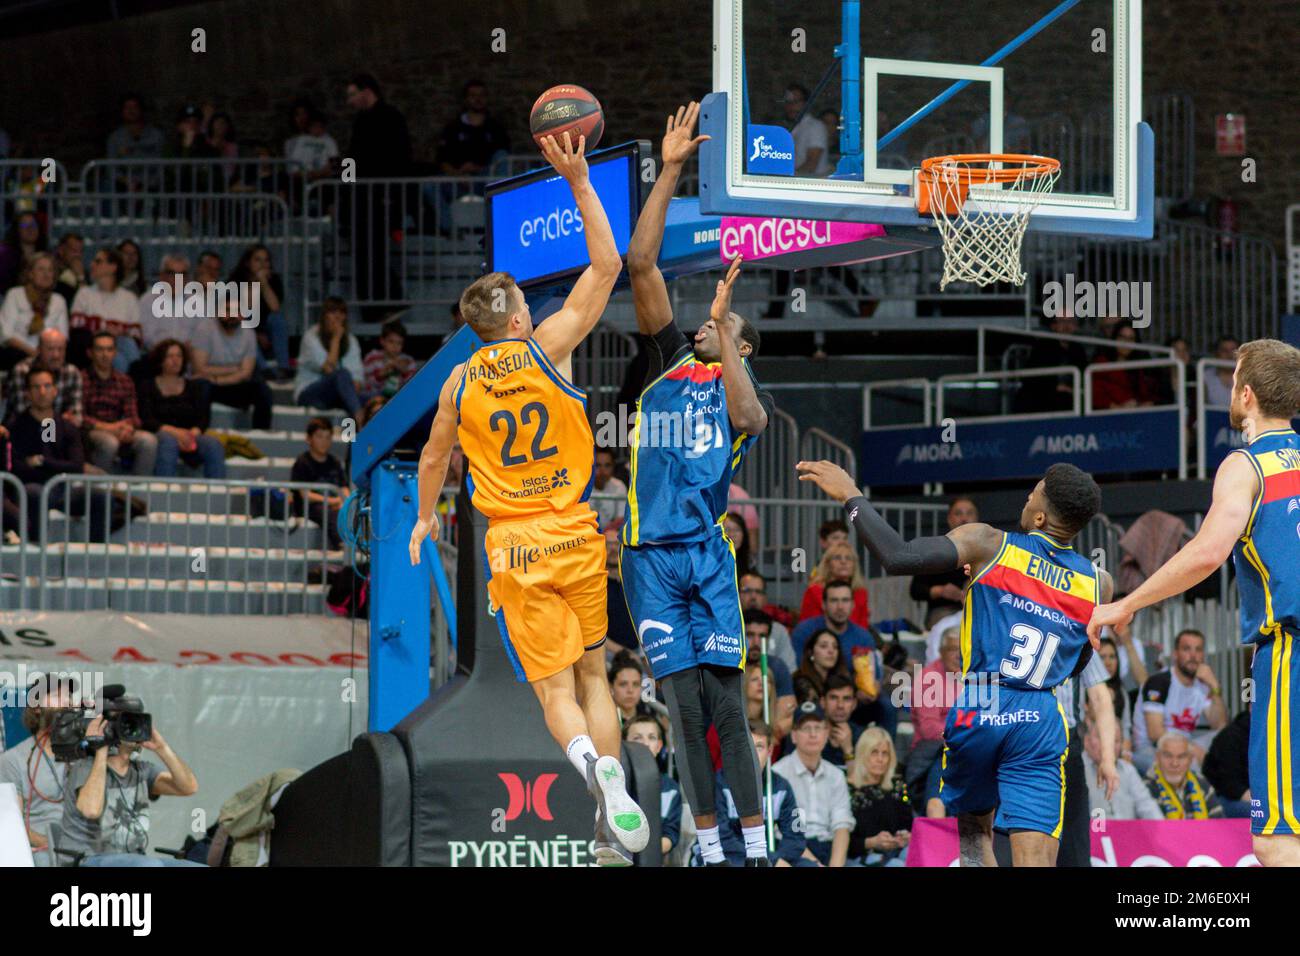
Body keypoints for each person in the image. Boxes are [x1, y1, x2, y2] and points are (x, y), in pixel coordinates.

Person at [408, 131, 646, 866]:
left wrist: (422, 518)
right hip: (577, 532)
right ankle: (613, 809)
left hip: (515, 546)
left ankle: (587, 770)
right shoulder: (549, 345)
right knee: (595, 673)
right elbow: (610, 264)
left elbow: (433, 455)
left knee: (552, 696)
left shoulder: (457, 382)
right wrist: (578, 180)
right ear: (517, 320)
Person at [798, 457, 1120, 866]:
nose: (1027, 494)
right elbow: (1074, 663)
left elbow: (898, 556)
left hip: (982, 702)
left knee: (973, 833)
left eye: (1034, 490)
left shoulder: (989, 543)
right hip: (1040, 713)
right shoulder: (1098, 584)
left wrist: (850, 494)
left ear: (1040, 514)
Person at [618, 103, 775, 869]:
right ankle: (709, 844)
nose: (708, 323)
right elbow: (641, 264)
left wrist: (728, 334)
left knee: (728, 710)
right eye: (709, 321)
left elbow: (752, 416)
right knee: (683, 705)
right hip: (650, 554)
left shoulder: (738, 392)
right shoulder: (666, 364)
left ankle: (753, 841)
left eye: (725, 324)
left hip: (709, 559)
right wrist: (672, 165)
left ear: (740, 343)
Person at [1089, 338, 1300, 865]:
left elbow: (1207, 553)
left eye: (1232, 379)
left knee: (1278, 836)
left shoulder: (1248, 465)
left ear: (1246, 394)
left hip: (1290, 654)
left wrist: (1125, 603)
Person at [61, 707, 202, 866]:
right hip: (88, 858)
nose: (133, 729)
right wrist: (101, 749)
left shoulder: (142, 770)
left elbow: (188, 787)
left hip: (134, 859)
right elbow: (91, 810)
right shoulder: (85, 767)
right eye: (126, 723)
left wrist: (161, 748)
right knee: (149, 865)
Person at [345, 74, 411, 313]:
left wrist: (391, 194)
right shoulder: (361, 121)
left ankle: (387, 301)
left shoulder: (390, 118)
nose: (350, 101)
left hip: (382, 194)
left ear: (367, 91)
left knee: (375, 249)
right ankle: (375, 305)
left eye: (353, 94)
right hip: (364, 195)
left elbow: (398, 157)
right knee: (367, 249)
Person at [699, 719, 807, 867]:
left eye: (759, 747)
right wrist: (772, 861)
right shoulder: (717, 784)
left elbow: (797, 837)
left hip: (769, 857)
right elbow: (722, 837)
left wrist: (776, 859)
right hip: (728, 857)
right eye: (746, 746)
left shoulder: (783, 787)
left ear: (770, 751)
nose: (751, 753)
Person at [0, 673, 77, 866]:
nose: (66, 702)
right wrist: (49, 843)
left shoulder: (84, 753)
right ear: (36, 707)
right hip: (43, 850)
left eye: (68, 696)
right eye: (57, 695)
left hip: (82, 845)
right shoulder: (13, 759)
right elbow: (13, 825)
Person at [3, 367, 87, 538]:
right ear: (27, 393)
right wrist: (50, 467)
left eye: (47, 386)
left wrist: (41, 462)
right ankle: (35, 549)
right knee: (34, 491)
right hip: (29, 489)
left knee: (99, 497)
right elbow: (14, 467)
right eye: (36, 387)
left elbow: (77, 466)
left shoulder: (64, 426)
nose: (42, 392)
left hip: (62, 490)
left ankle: (96, 555)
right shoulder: (15, 426)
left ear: (55, 390)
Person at [1130, 629, 1227, 773]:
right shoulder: (1159, 682)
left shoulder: (1202, 685)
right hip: (1151, 749)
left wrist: (1215, 686)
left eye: (1198, 650)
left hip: (1186, 744)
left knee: (1225, 739)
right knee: (1189, 763)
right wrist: (1191, 749)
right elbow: (1155, 734)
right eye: (1187, 649)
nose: (1193, 655)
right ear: (1175, 654)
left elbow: (1219, 725)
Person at [773, 702, 854, 865]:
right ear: (794, 735)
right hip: (793, 851)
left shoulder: (836, 775)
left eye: (818, 728)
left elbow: (842, 825)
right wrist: (815, 864)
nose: (813, 734)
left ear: (826, 733)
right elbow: (782, 831)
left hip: (830, 850)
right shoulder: (778, 773)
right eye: (806, 728)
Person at [137, 338, 225, 478]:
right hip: (160, 433)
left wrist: (191, 435)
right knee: (168, 441)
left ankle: (217, 494)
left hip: (190, 435)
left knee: (213, 445)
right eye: (170, 356)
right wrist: (177, 433)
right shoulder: (147, 386)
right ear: (160, 360)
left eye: (179, 356)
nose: (175, 360)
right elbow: (147, 419)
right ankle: (164, 491)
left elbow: (203, 419)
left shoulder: (194, 387)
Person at [82, 332, 157, 475]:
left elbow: (133, 416)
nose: (105, 354)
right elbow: (80, 417)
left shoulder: (125, 380)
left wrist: (128, 428)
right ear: (90, 353)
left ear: (115, 352)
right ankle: (99, 490)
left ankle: (136, 491)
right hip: (91, 431)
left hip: (119, 429)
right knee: (109, 443)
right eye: (100, 349)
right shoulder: (82, 378)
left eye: (109, 349)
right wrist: (110, 428)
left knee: (149, 440)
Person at [190, 301, 274, 430]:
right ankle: (199, 433)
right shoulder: (205, 329)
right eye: (228, 310)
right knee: (202, 386)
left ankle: (260, 435)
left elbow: (246, 373)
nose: (232, 315)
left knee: (263, 390)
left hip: (229, 384)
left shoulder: (249, 333)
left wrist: (217, 379)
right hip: (209, 386)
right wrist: (234, 369)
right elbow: (199, 369)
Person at [907, 627, 962, 817]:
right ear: (941, 652)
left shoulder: (973, 676)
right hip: (933, 751)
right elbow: (929, 728)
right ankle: (936, 841)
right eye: (953, 649)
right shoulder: (928, 678)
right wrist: (962, 738)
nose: (959, 655)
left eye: (963, 649)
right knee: (936, 801)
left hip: (967, 749)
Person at [845, 726, 912, 866]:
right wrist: (872, 842)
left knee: (914, 854)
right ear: (863, 754)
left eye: (885, 753)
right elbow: (840, 840)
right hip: (859, 855)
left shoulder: (897, 784)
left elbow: (909, 822)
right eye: (874, 753)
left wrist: (906, 837)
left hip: (895, 850)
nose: (880, 759)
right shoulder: (847, 789)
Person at [69, 246, 142, 373]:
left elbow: (137, 333)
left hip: (121, 342)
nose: (92, 264)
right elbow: (76, 325)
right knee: (116, 357)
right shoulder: (84, 293)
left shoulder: (129, 297)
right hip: (94, 345)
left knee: (128, 344)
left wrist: (120, 331)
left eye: (98, 261)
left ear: (113, 267)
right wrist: (105, 329)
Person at [910, 496, 979, 627]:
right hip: (945, 611)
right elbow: (915, 590)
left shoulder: (986, 549)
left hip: (979, 610)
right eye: (958, 513)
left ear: (977, 518)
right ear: (949, 519)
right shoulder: (935, 550)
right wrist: (940, 591)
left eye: (969, 513)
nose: (964, 518)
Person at [1081, 718, 1162, 821]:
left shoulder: (1128, 770)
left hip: (1126, 834)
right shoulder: (1077, 770)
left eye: (1116, 741)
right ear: (1087, 741)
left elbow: (1147, 806)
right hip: (1090, 834)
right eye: (1102, 738)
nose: (1109, 746)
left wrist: (1162, 832)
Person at [229, 244, 291, 379]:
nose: (263, 264)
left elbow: (275, 308)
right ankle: (263, 369)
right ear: (247, 263)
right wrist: (257, 334)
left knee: (277, 319)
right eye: (257, 260)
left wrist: (263, 283)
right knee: (244, 323)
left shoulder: (273, 280)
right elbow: (245, 311)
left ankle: (283, 367)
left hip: (266, 327)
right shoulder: (236, 281)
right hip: (242, 328)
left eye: (266, 260)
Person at [623, 715, 681, 859]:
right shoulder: (614, 784)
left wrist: (644, 852)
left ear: (659, 746)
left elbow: (670, 834)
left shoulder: (670, 789)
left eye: (651, 737)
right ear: (623, 744)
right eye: (637, 738)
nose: (645, 744)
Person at [294, 297, 363, 416]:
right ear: (324, 316)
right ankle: (359, 417)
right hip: (309, 393)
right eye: (333, 312)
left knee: (375, 399)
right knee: (342, 374)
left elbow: (357, 381)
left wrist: (349, 391)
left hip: (338, 396)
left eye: (341, 313)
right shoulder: (310, 337)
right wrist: (336, 339)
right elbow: (329, 370)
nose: (337, 317)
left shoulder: (352, 341)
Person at [1, 253, 68, 372]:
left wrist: (45, 354)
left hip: (50, 355)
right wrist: (34, 353)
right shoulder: (15, 294)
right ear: (30, 274)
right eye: (41, 269)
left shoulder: (59, 301)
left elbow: (63, 336)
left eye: (50, 270)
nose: (46, 274)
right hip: (17, 354)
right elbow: (6, 335)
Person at [1014, 310, 1089, 413]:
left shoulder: (1078, 350)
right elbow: (1031, 380)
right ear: (1054, 326)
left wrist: (1072, 390)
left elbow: (1084, 378)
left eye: (1071, 322)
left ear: (1076, 326)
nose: (1066, 326)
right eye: (1062, 321)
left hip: (1069, 401)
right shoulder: (1043, 347)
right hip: (1042, 401)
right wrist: (1055, 387)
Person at [290, 417, 348, 550]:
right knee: (326, 512)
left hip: (335, 503)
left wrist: (345, 501)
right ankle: (342, 546)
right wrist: (334, 501)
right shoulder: (302, 462)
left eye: (328, 437)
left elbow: (343, 486)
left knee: (351, 511)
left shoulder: (334, 462)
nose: (324, 441)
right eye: (320, 436)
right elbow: (306, 495)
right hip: (310, 507)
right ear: (309, 439)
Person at [5, 328, 82, 426]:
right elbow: (24, 414)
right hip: (23, 430)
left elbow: (76, 417)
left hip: (59, 431)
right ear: (39, 349)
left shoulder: (72, 372)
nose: (56, 355)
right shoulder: (22, 370)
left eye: (60, 349)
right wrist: (57, 420)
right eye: (50, 349)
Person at [1145, 732, 1224, 820]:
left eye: (1181, 757)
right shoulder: (1145, 788)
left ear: (1190, 760)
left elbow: (1218, 821)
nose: (1174, 763)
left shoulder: (1201, 782)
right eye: (1168, 756)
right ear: (1157, 758)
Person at [791, 579, 875, 661]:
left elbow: (873, 673)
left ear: (853, 605)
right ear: (823, 605)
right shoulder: (804, 633)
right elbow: (797, 671)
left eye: (845, 600)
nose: (840, 607)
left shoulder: (864, 639)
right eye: (834, 600)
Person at [1090, 319, 1161, 409]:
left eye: (1131, 339)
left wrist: (1146, 404)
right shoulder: (1101, 363)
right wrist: (1117, 408)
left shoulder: (1140, 365)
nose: (1126, 343)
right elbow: (1096, 395)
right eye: (1122, 337)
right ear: (1114, 338)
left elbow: (1148, 395)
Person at [798, 542, 869, 627]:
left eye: (848, 558)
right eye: (837, 558)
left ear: (854, 565)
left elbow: (863, 628)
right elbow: (806, 627)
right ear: (828, 564)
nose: (843, 562)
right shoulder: (814, 591)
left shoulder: (861, 593)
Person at [1203, 707, 1252, 818]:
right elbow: (1233, 787)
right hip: (1224, 798)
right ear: (1252, 707)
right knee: (1262, 814)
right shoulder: (1230, 737)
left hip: (1260, 799)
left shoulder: (1279, 736)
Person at [739, 573, 796, 669]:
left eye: (758, 592)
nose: (753, 597)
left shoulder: (778, 631)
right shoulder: (727, 627)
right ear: (737, 594)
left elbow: (789, 670)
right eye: (747, 591)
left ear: (765, 598)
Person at [361, 317, 418, 400]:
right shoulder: (372, 357)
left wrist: (403, 372)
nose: (395, 347)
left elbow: (413, 388)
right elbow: (366, 386)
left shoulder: (408, 361)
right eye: (391, 341)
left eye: (399, 343)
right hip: (375, 399)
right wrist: (380, 375)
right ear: (382, 341)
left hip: (399, 398)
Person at [793, 628, 852, 702]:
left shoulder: (840, 678)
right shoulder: (802, 682)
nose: (831, 651)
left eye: (835, 647)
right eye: (823, 646)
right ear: (810, 653)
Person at [783, 84, 830, 177]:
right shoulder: (791, 128)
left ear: (806, 103)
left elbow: (811, 164)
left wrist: (787, 179)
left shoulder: (816, 127)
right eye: (788, 102)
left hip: (812, 185)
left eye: (796, 101)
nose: (791, 106)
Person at [821, 673, 864, 767]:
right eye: (833, 698)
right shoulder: (809, 734)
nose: (840, 705)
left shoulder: (863, 738)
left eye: (846, 699)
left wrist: (848, 751)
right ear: (823, 702)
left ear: (854, 704)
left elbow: (862, 780)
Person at [0, 210, 48, 293]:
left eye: (33, 224)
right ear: (17, 229)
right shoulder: (5, 255)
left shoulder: (46, 254)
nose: (30, 228)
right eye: (24, 225)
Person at [608, 650, 651, 730]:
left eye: (636, 684)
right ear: (611, 687)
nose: (630, 690)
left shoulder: (651, 722)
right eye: (623, 684)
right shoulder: (602, 722)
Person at [590, 446, 627, 532]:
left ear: (613, 467)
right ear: (590, 465)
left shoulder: (619, 486)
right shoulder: (582, 487)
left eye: (607, 465)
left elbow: (621, 519)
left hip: (610, 536)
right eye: (598, 465)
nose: (603, 470)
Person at [1203, 335, 1239, 407]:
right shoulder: (1205, 376)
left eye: (1233, 351)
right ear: (1216, 354)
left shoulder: (1247, 377)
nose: (1229, 355)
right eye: (1224, 351)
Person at [721, 510, 754, 577]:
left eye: (737, 530)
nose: (732, 534)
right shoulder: (712, 560)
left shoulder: (747, 559)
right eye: (727, 529)